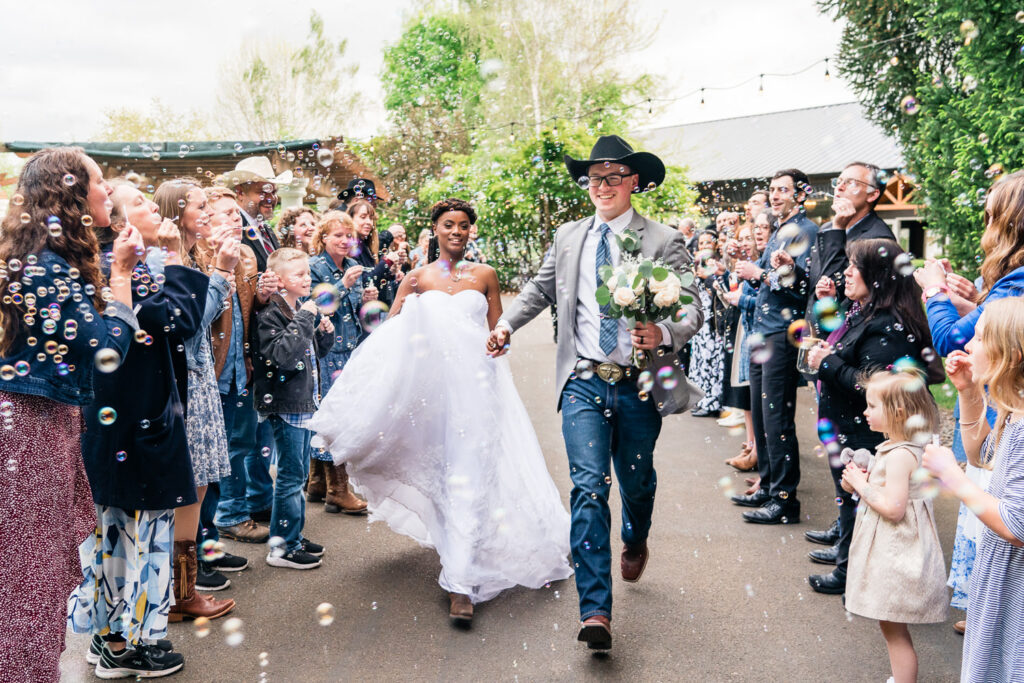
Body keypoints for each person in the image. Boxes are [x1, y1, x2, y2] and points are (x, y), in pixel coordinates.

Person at [311, 198, 573, 624]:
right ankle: (458, 563)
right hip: (431, 400)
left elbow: (498, 333)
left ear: (471, 231)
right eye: (448, 224)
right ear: (434, 229)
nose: (456, 230)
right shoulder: (416, 279)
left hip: (478, 391)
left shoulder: (486, 276)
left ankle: (461, 581)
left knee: (472, 475)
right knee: (445, 474)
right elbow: (387, 340)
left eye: (464, 225)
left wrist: (499, 341)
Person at [488, 135, 703, 649]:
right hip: (583, 380)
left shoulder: (664, 239)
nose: (601, 186)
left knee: (637, 482)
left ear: (634, 182)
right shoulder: (567, 236)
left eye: (612, 177)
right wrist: (505, 326)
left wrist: (665, 333)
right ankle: (595, 611)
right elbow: (541, 290)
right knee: (587, 488)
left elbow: (691, 306)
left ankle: (636, 536)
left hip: (641, 384)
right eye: (593, 178)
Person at [0, 148, 142, 682]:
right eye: (100, 182)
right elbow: (106, 350)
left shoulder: (45, 261)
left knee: (36, 574)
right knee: (26, 582)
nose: (108, 192)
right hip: (29, 434)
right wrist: (122, 277)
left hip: (43, 427)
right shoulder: (46, 267)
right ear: (71, 196)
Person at [68, 181, 210, 678]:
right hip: (136, 424)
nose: (156, 207)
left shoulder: (114, 266)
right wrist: (174, 259)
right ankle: (131, 645)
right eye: (143, 203)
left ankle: (110, 637)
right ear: (122, 221)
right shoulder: (123, 270)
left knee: (119, 537)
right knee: (137, 538)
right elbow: (182, 319)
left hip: (128, 424)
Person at [914, 170, 1024, 633]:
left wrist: (935, 293)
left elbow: (949, 340)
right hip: (995, 410)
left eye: (992, 214)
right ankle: (987, 605)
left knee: (1001, 510)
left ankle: (992, 610)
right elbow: (980, 455)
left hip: (1004, 409)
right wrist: (975, 303)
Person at [802, 239, 936, 596]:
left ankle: (850, 573)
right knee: (848, 498)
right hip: (844, 424)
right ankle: (847, 555)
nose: (845, 271)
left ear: (878, 276)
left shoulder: (888, 325)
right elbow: (838, 336)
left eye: (854, 266)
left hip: (865, 431)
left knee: (860, 499)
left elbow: (872, 388)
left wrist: (826, 363)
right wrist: (827, 310)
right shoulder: (862, 310)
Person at [153, 178, 248, 598]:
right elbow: (191, 325)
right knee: (190, 483)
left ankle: (185, 582)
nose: (208, 213)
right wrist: (223, 271)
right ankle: (181, 591)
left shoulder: (191, 256)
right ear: (177, 213)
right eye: (200, 206)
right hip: (185, 381)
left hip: (201, 377)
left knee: (202, 480)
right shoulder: (165, 261)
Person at [922, 297, 1024, 683]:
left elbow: (1017, 525)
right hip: (1001, 575)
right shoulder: (1014, 411)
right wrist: (967, 391)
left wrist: (954, 478)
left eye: (979, 338)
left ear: (1010, 356)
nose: (967, 346)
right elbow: (982, 454)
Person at [801, 162, 898, 553]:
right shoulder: (843, 228)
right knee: (839, 453)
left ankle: (852, 546)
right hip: (835, 338)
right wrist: (836, 228)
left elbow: (853, 291)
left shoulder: (877, 236)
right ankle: (845, 528)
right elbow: (820, 278)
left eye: (850, 184)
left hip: (856, 347)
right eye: (837, 182)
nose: (840, 188)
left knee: (856, 452)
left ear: (872, 194)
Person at [841, 370, 947, 683]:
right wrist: (861, 477)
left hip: (896, 552)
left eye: (872, 406)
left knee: (893, 629)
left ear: (897, 412)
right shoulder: (900, 447)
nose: (865, 411)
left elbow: (893, 508)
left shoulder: (901, 455)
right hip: (894, 548)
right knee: (891, 627)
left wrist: (862, 485)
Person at [730, 169, 818, 524]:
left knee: (778, 417)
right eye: (772, 189)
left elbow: (801, 287)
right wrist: (753, 264)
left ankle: (785, 500)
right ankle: (767, 485)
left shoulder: (806, 231)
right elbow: (772, 281)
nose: (776, 194)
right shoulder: (779, 231)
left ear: (801, 193)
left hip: (782, 334)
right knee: (762, 415)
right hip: (760, 332)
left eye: (784, 189)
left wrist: (760, 274)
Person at [204, 187, 276, 546]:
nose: (237, 219)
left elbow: (247, 314)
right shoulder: (199, 253)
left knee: (243, 440)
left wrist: (262, 296)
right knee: (219, 446)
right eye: (226, 213)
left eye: (237, 213)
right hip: (209, 367)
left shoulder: (246, 253)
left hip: (238, 364)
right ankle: (229, 514)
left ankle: (234, 510)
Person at [253, 248, 333, 570]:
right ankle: (282, 548)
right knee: (289, 477)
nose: (307, 278)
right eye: (299, 275)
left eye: (307, 274)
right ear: (281, 281)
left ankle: (295, 535)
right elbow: (283, 357)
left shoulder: (299, 308)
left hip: (304, 405)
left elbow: (311, 354)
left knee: (298, 474)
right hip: (286, 408)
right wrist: (306, 319)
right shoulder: (271, 313)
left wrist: (323, 336)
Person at [307, 211, 372, 515]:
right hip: (326, 351)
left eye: (349, 236)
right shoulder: (314, 267)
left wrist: (366, 297)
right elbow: (318, 307)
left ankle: (318, 482)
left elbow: (353, 311)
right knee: (334, 418)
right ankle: (338, 489)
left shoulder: (351, 267)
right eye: (338, 236)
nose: (346, 241)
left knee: (337, 413)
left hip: (350, 349)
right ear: (323, 238)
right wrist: (344, 285)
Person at [722, 220, 763, 470]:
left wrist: (742, 300)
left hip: (756, 331)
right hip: (743, 328)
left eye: (751, 237)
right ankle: (751, 444)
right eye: (743, 238)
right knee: (746, 391)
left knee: (754, 394)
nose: (748, 241)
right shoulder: (746, 265)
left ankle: (757, 449)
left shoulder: (763, 267)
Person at [223, 157, 291, 272]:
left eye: (273, 192)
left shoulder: (265, 228)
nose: (271, 199)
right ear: (240, 193)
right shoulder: (232, 229)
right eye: (262, 193)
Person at [687, 229, 725, 417]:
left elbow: (721, 291)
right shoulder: (696, 266)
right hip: (700, 323)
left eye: (708, 243)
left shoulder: (719, 267)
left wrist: (708, 277)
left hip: (713, 322)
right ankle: (700, 399)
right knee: (700, 361)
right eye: (701, 243)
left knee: (712, 363)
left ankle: (712, 402)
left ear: (715, 246)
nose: (704, 246)